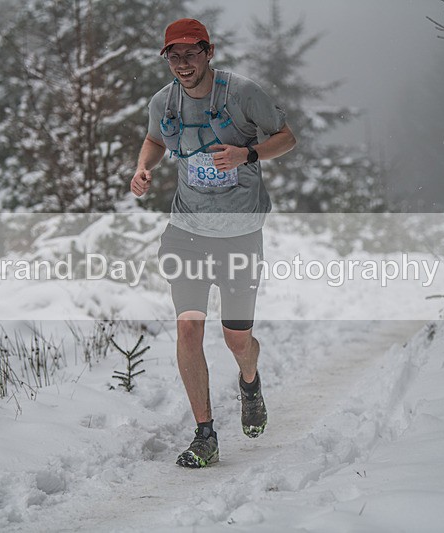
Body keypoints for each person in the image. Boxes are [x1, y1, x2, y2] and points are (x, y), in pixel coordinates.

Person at [130, 18, 297, 468]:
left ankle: (250, 382)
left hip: (240, 234)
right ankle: (205, 434)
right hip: (187, 231)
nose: (183, 64)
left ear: (209, 52)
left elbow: (287, 137)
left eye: (191, 53)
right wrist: (143, 167)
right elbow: (153, 139)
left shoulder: (242, 93)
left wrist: (248, 153)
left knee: (237, 339)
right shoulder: (163, 102)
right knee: (189, 328)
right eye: (174, 56)